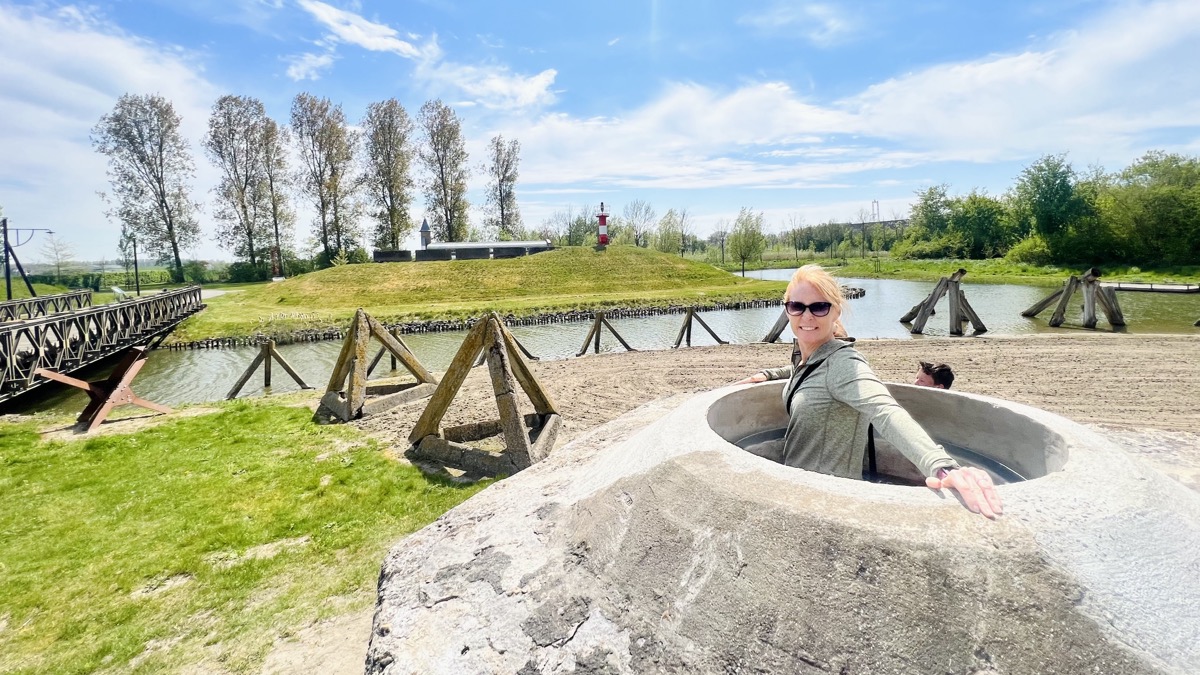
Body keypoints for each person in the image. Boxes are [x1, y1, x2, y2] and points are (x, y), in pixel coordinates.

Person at [738, 265, 1001, 519]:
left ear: (836, 312)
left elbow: (885, 410)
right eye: (797, 306)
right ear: (788, 310)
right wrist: (768, 374)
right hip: (796, 487)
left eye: (819, 307)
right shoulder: (807, 355)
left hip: (823, 500)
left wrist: (943, 467)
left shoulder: (844, 364)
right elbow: (801, 370)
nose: (806, 316)